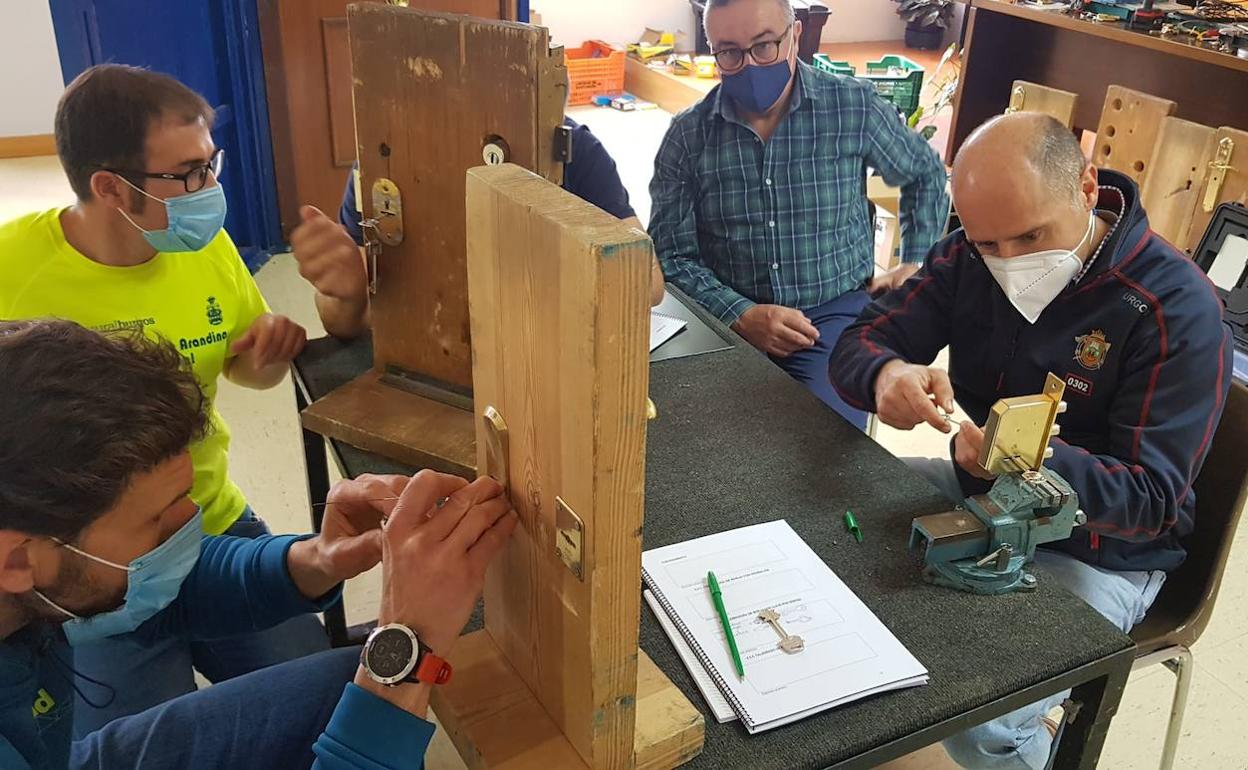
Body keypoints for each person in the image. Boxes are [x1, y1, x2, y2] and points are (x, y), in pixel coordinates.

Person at [831, 113, 1232, 769]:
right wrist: (885, 375)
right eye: (990, 242)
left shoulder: (1174, 309)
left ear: (1085, 185)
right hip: (979, 493)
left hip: (1104, 550)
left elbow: (1152, 499)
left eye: (1031, 236)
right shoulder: (968, 256)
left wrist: (1023, 460)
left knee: (981, 720)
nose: (1010, 263)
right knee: (831, 539)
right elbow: (860, 343)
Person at [0, 319, 518, 769]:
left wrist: (315, 558)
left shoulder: (33, 573)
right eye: (156, 522)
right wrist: (407, 647)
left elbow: (171, 587)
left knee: (345, 690)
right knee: (375, 695)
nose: (191, 524)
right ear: (19, 560)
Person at [0, 64, 328, 732]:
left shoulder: (205, 251)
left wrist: (266, 360)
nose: (209, 191)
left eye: (211, 165)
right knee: (132, 739)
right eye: (186, 175)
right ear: (110, 187)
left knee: (320, 700)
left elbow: (243, 375)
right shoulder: (14, 268)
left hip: (206, 520)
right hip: (86, 569)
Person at [648, 0, 949, 430]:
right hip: (723, 316)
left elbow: (924, 174)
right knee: (689, 437)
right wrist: (739, 313)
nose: (750, 64)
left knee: (824, 444)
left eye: (764, 45)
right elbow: (671, 256)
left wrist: (915, 260)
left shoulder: (852, 107)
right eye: (729, 52)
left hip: (831, 311)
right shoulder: (687, 136)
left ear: (795, 36)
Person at [295, 117, 666, 339]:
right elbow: (342, 325)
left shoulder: (577, 149)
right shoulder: (384, 162)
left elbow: (648, 284)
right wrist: (348, 296)